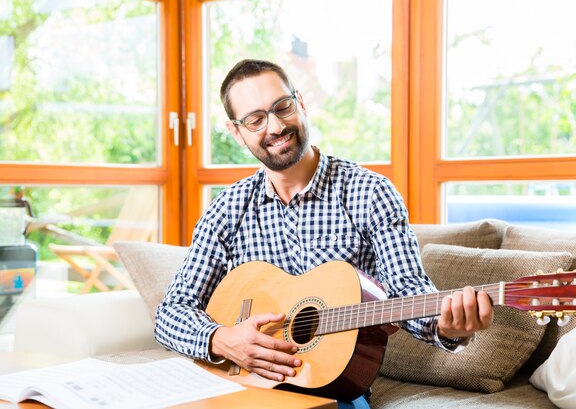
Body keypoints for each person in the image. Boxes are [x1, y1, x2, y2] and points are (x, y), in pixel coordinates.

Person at [155, 59, 493, 409]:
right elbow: (170, 312)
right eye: (255, 119)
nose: (275, 126)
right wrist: (222, 339)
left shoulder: (370, 192)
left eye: (282, 107)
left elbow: (407, 292)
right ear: (237, 131)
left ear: (300, 102)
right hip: (244, 390)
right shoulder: (227, 209)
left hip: (335, 389)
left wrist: (446, 326)